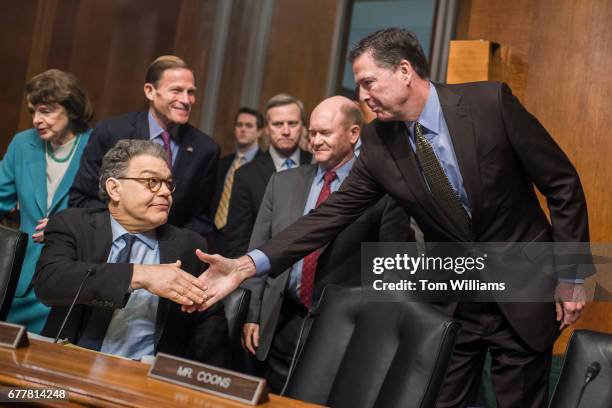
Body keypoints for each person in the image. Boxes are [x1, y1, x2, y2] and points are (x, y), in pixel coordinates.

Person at [191, 28, 591, 407]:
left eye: (368, 82)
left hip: (523, 290)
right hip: (454, 302)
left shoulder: (489, 104)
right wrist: (246, 265)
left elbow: (562, 185)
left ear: (404, 70)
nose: (362, 95)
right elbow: (328, 216)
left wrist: (571, 276)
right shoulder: (378, 143)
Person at [241, 96, 411, 392]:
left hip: (341, 327)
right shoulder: (283, 183)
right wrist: (252, 315)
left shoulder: (382, 193)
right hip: (281, 320)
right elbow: (259, 249)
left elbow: (392, 270)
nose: (315, 141)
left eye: (325, 133)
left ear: (354, 133)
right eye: (313, 133)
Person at [34, 140, 228, 364]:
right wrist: (139, 275)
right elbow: (48, 284)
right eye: (152, 182)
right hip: (67, 364)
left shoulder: (189, 246)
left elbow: (210, 326)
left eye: (168, 183)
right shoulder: (73, 225)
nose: (165, 192)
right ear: (114, 189)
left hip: (145, 379)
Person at [69, 55, 219, 236]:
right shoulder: (111, 133)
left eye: (191, 92)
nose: (187, 100)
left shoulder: (206, 150)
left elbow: (201, 221)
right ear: (150, 91)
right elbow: (82, 199)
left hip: (167, 254)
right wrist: (126, 229)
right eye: (177, 90)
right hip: (108, 247)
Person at [0, 69, 93, 333]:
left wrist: (65, 224)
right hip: (21, 277)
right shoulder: (22, 144)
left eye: (46, 111)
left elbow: (105, 214)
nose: (37, 120)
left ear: (71, 110)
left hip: (69, 279)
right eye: (33, 112)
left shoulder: (96, 145)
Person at [224, 94, 312, 257]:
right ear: (266, 129)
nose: (286, 131)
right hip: (264, 270)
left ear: (303, 126)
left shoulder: (316, 165)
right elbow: (238, 241)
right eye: (278, 124)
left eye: (292, 123)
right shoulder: (246, 175)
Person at [210, 107, 265, 255]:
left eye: (248, 126)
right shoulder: (222, 163)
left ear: (259, 131)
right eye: (239, 125)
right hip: (213, 239)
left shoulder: (266, 165)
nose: (242, 129)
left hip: (245, 243)